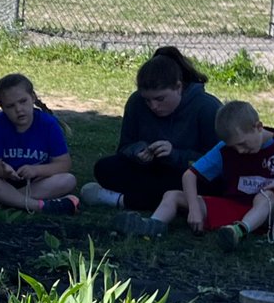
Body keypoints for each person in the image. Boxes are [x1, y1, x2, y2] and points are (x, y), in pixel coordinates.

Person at [115, 99, 274, 249]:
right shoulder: (225, 148)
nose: (239, 151)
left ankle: (238, 232)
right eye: (234, 147)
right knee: (171, 195)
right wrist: (194, 209)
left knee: (265, 197)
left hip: (272, 215)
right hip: (234, 206)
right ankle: (151, 226)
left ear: (258, 127)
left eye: (242, 144)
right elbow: (189, 175)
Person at [82, 46, 221, 211]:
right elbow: (124, 147)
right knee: (105, 168)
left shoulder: (207, 107)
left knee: (210, 186)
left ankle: (121, 200)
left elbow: (218, 163)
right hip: (150, 170)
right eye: (147, 100)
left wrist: (174, 154)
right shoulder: (136, 102)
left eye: (160, 99)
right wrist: (138, 151)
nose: (154, 106)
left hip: (187, 174)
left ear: (178, 87)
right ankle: (163, 202)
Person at [0, 74, 78, 214]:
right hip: (5, 181)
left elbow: (63, 164)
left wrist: (36, 170)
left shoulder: (48, 124)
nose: (19, 109)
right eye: (10, 106)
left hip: (37, 182)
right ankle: (39, 206)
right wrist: (5, 172)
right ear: (2, 107)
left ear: (33, 97)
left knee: (68, 180)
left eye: (23, 101)